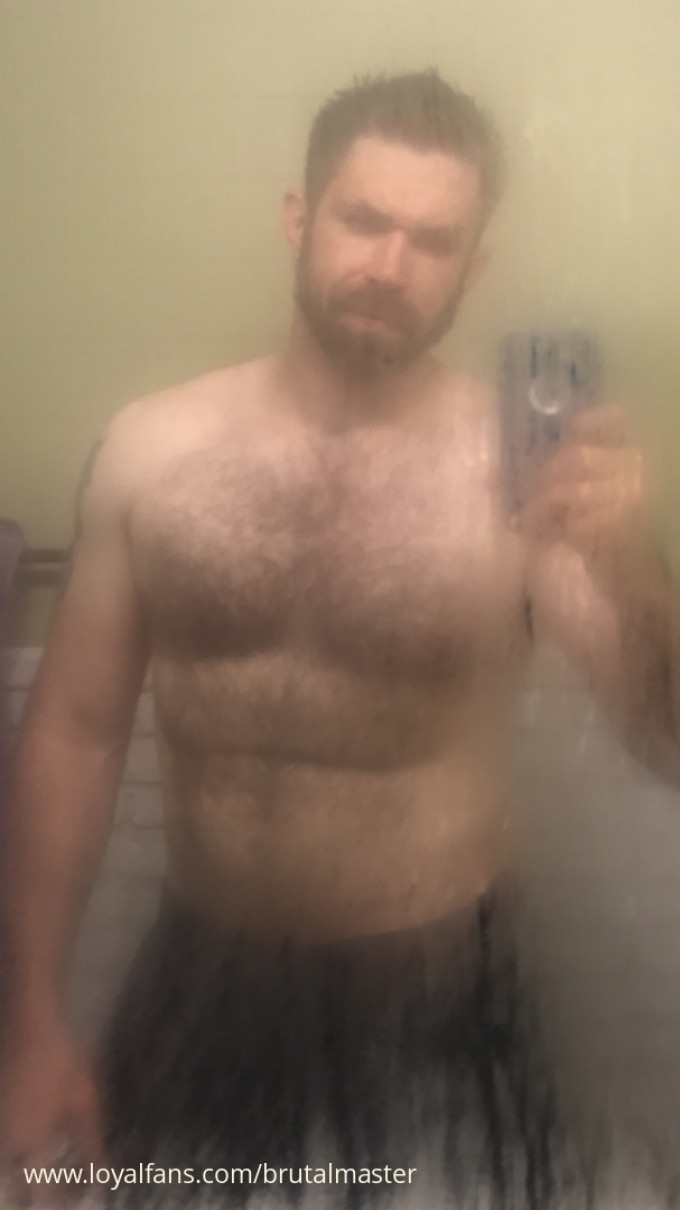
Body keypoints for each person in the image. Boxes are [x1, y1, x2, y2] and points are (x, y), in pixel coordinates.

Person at [1, 69, 679, 1209]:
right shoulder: (153, 452)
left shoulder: (525, 477)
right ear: (299, 216)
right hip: (203, 980)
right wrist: (29, 1025)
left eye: (432, 240)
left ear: (473, 268)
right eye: (364, 220)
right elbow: (74, 734)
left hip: (445, 1003)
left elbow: (666, 734)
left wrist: (627, 563)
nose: (388, 265)